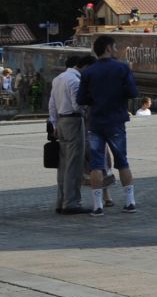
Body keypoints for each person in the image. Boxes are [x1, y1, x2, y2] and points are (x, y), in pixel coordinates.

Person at [78, 35, 139, 216]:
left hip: (96, 121)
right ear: (108, 48)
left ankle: (97, 206)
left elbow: (81, 99)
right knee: (122, 161)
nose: (116, 49)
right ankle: (130, 202)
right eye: (114, 46)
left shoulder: (88, 72)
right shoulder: (122, 68)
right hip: (116, 120)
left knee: (96, 164)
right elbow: (133, 92)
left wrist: (95, 99)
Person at [48, 54, 91, 214]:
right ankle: (72, 203)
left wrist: (54, 124)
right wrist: (86, 111)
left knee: (63, 164)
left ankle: (61, 201)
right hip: (74, 121)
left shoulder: (58, 78)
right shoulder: (75, 80)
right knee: (74, 164)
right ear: (82, 66)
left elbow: (51, 104)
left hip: (61, 121)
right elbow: (77, 105)